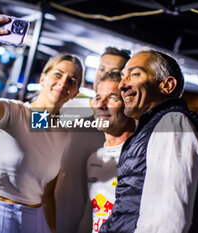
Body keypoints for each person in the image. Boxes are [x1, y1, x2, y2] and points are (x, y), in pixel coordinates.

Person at [0, 9, 84, 233]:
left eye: (72, 80)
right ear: (43, 78)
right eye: (58, 74)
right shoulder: (14, 113)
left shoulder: (63, 134)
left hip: (35, 220)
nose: (63, 82)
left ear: (75, 92)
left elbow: (47, 194)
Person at [99, 49, 198, 233]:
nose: (122, 85)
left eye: (135, 74)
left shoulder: (172, 123)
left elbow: (168, 221)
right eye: (123, 77)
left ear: (167, 85)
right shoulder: (154, 128)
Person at [55, 47, 130, 233]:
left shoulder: (123, 120)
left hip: (94, 220)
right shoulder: (68, 107)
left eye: (116, 72)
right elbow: (29, 126)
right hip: (53, 211)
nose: (107, 74)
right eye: (102, 69)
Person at [77, 72, 134, 233]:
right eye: (97, 98)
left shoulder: (141, 157)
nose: (101, 105)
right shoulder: (95, 157)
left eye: (112, 99)